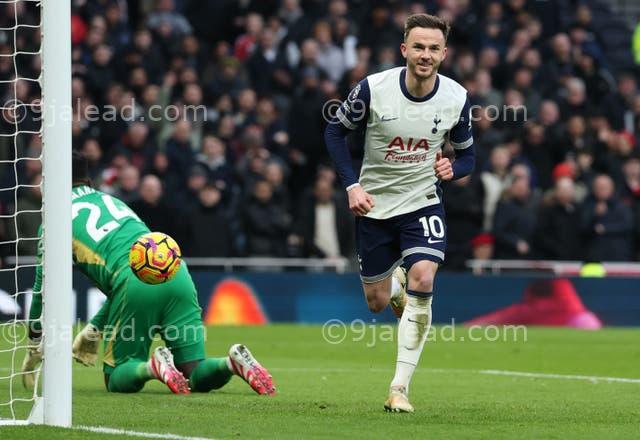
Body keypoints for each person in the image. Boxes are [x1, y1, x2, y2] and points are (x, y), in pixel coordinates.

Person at [21, 151, 276, 396]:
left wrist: (34, 337)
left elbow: (42, 288)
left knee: (116, 376)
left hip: (133, 281)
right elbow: (132, 263)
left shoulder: (54, 220)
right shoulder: (112, 200)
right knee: (194, 370)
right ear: (88, 179)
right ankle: (229, 363)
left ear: (53, 179)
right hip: (175, 270)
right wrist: (95, 328)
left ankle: (152, 367)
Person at [324, 13, 474, 413]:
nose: (426, 55)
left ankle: (399, 389)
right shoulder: (373, 89)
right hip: (374, 206)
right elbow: (335, 132)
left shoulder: (457, 97)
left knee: (424, 277)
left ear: (444, 53)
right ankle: (393, 289)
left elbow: (469, 155)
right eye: (419, 47)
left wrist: (452, 168)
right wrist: (352, 184)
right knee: (375, 301)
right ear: (404, 49)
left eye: (434, 48)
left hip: (422, 201)